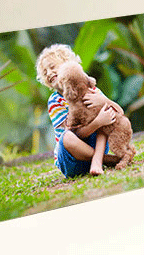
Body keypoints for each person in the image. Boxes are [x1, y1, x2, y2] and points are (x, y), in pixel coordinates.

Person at [36, 44, 123, 177]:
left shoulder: (90, 89)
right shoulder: (55, 101)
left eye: (52, 67)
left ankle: (97, 161)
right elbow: (75, 134)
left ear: (68, 64)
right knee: (67, 136)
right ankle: (105, 160)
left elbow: (119, 112)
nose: (49, 73)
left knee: (106, 116)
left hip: (96, 149)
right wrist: (97, 122)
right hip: (72, 159)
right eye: (45, 72)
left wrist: (104, 101)